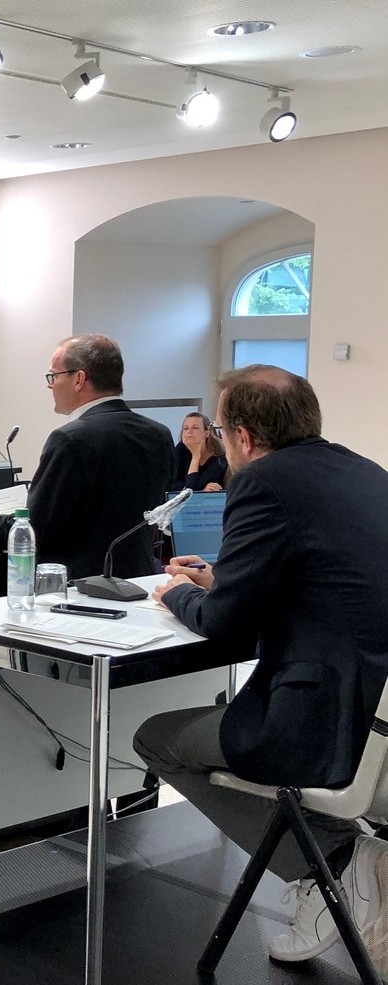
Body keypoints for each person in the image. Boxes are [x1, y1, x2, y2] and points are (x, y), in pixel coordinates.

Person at [134, 365, 388, 969]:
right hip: (377, 715)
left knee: (157, 739)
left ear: (243, 437)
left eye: (220, 432)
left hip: (328, 725)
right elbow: (325, 580)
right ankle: (346, 863)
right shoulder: (367, 472)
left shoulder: (261, 481)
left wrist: (178, 594)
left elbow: (225, 624)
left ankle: (334, 867)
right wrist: (221, 579)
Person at [0, 333, 173, 580]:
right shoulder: (159, 434)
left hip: (79, 588)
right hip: (141, 580)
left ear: (79, 379)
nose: (50, 385)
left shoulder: (70, 439)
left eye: (54, 376)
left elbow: (36, 528)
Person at [172, 410, 227, 491]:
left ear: (207, 433)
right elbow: (172, 485)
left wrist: (195, 456)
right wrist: (201, 489)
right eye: (185, 428)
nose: (189, 432)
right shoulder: (181, 449)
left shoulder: (219, 459)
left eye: (195, 428)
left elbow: (190, 489)